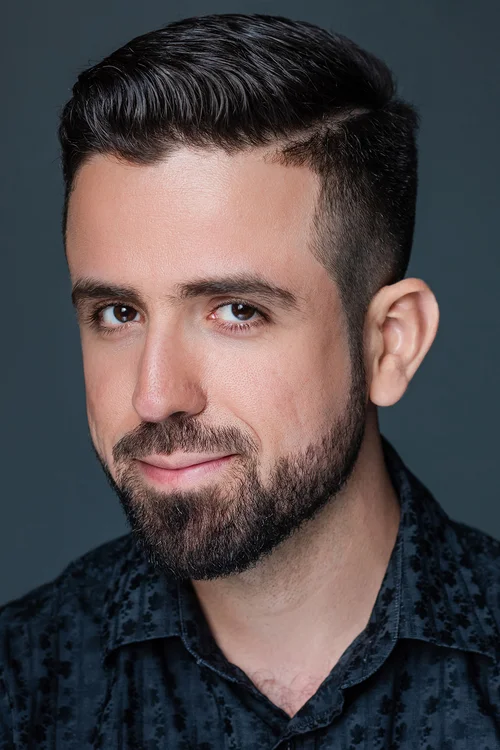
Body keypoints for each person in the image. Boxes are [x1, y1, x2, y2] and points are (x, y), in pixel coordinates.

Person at [1, 12, 499, 749]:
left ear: (389, 344)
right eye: (117, 312)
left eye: (236, 311)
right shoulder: (22, 691)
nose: (154, 396)